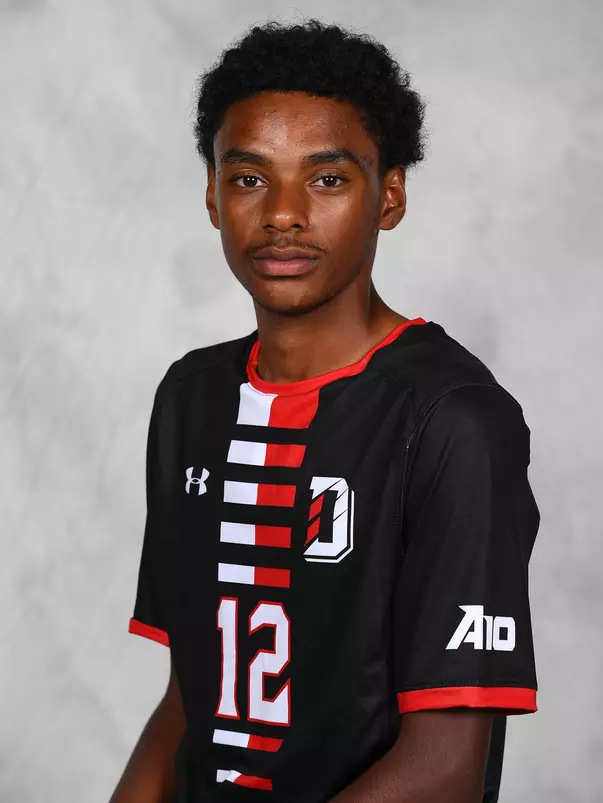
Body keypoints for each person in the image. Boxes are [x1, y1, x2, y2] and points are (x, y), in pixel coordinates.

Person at [109, 18, 539, 803]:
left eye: (327, 180)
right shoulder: (190, 397)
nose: (282, 213)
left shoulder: (453, 420)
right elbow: (189, 702)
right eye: (249, 179)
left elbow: (444, 767)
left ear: (390, 195)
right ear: (211, 195)